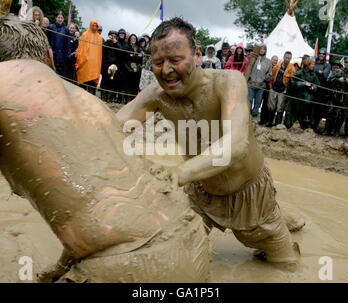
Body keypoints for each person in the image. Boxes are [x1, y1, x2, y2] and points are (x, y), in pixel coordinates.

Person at [0, 16, 210, 283]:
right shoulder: (90, 102)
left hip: (134, 264)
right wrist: (63, 266)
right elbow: (101, 199)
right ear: (50, 57)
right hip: (191, 241)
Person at [117, 17, 303, 268]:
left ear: (196, 55)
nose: (166, 70)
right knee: (172, 256)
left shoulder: (228, 82)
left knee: (287, 266)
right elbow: (109, 127)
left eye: (175, 60)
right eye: (159, 62)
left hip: (250, 195)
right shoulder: (156, 96)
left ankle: (282, 218)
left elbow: (236, 144)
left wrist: (178, 173)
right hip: (199, 193)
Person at [266, 51, 296, 127]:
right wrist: (270, 87)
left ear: (291, 59)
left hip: (283, 91)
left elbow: (292, 81)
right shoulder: (277, 66)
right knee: (271, 107)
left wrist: (287, 90)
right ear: (283, 57)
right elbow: (272, 76)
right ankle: (269, 122)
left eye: (289, 58)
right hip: (274, 88)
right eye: (286, 57)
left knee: (280, 108)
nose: (287, 59)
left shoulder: (292, 69)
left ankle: (277, 124)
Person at [288, 58, 320, 129]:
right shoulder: (300, 72)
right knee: (297, 113)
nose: (313, 66)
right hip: (299, 97)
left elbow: (317, 84)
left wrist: (313, 87)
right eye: (312, 64)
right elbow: (292, 81)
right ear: (307, 65)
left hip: (309, 98)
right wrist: (303, 83)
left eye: (313, 64)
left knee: (306, 114)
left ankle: (305, 128)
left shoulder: (313, 74)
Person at [75, 20, 103, 96]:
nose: (94, 27)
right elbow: (81, 48)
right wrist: (79, 59)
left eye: (96, 26)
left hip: (94, 66)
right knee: (83, 87)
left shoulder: (99, 38)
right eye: (93, 25)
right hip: (85, 64)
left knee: (92, 87)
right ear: (90, 25)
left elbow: (99, 54)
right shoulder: (85, 35)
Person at [246, 43, 272, 117]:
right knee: (249, 100)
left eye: (264, 49)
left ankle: (255, 115)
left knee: (258, 102)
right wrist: (249, 76)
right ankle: (248, 115)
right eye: (261, 48)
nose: (262, 50)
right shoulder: (252, 58)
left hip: (261, 85)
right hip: (251, 84)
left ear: (265, 51)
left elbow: (270, 74)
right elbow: (247, 68)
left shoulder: (268, 61)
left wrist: (264, 77)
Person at [311, 48, 331, 132]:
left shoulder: (327, 65)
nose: (321, 55)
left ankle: (315, 126)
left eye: (323, 54)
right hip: (313, 87)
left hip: (321, 89)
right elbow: (312, 72)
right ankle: (309, 125)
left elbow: (325, 75)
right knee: (311, 106)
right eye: (320, 53)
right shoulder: (314, 63)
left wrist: (319, 72)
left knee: (319, 109)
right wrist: (319, 72)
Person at [46, 11, 71, 77]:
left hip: (62, 56)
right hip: (52, 54)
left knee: (61, 75)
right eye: (58, 17)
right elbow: (47, 41)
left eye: (61, 18)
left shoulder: (66, 30)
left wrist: (67, 55)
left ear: (63, 19)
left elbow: (68, 44)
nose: (60, 19)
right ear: (56, 18)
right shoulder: (50, 27)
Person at [101, 29, 121, 102]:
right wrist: (107, 41)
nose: (113, 37)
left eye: (114, 36)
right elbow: (103, 50)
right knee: (104, 81)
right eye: (111, 36)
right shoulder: (106, 43)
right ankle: (103, 97)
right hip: (106, 65)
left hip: (113, 66)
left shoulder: (117, 44)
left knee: (111, 82)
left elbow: (120, 52)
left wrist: (115, 43)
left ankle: (109, 99)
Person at [123, 34, 143, 103]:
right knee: (127, 86)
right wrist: (136, 56)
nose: (133, 40)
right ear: (129, 39)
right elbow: (126, 59)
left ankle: (133, 102)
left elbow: (140, 59)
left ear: (136, 40)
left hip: (137, 70)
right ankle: (126, 101)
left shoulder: (139, 48)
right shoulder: (127, 47)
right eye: (132, 38)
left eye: (134, 38)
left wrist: (134, 57)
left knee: (135, 87)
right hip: (128, 70)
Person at [259, 55, 278, 126]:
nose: (275, 61)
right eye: (274, 60)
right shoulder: (268, 67)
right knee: (264, 105)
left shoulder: (278, 68)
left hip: (274, 89)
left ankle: (269, 121)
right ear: (271, 60)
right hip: (266, 88)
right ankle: (262, 120)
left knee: (272, 106)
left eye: (276, 60)